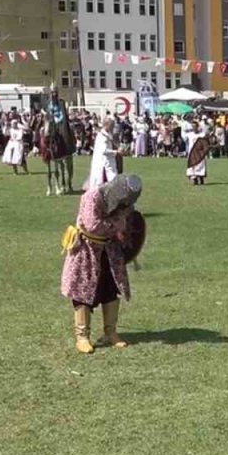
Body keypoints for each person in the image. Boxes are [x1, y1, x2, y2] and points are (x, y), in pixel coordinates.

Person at [61, 174, 142, 354]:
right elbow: (93, 225)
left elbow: (128, 221)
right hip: (86, 251)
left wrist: (125, 231)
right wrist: (116, 225)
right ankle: (82, 337)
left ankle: (110, 333)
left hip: (109, 252)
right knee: (82, 293)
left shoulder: (124, 204)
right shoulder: (92, 197)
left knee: (110, 289)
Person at [87, 116, 120, 190]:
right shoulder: (101, 136)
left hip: (109, 162)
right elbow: (103, 150)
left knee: (113, 182)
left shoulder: (108, 134)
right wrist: (115, 152)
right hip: (102, 164)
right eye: (112, 125)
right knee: (101, 184)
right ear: (107, 125)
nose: (113, 127)